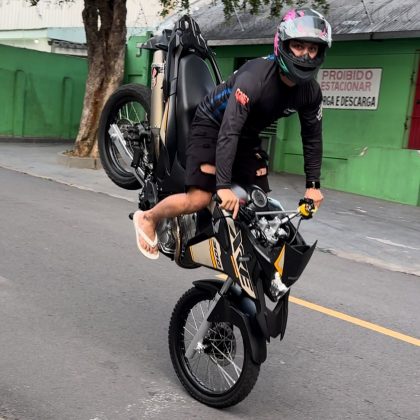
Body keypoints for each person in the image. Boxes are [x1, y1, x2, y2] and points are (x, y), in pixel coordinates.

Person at [133, 8, 332, 259]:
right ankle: (149, 219)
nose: (305, 55)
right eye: (299, 46)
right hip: (212, 125)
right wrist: (223, 186)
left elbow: (312, 137)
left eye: (312, 49)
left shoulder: (310, 93)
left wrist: (313, 186)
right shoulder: (255, 78)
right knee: (199, 198)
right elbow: (229, 129)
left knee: (258, 202)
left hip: (246, 134)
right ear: (283, 44)